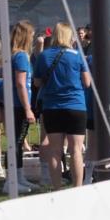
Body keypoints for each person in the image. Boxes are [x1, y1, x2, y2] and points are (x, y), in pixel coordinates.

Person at [34, 22, 90, 189]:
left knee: (55, 151)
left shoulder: (44, 56)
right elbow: (87, 82)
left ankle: (57, 188)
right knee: (76, 151)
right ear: (69, 36)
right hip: (76, 106)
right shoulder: (77, 56)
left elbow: (37, 82)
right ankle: (78, 187)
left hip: (52, 107)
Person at [5, 20, 38, 194]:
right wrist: (27, 108)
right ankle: (12, 180)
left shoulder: (16, 55)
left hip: (15, 105)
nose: (33, 38)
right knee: (16, 143)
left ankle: (18, 177)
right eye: (31, 35)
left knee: (16, 142)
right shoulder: (21, 56)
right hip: (18, 106)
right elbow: (20, 84)